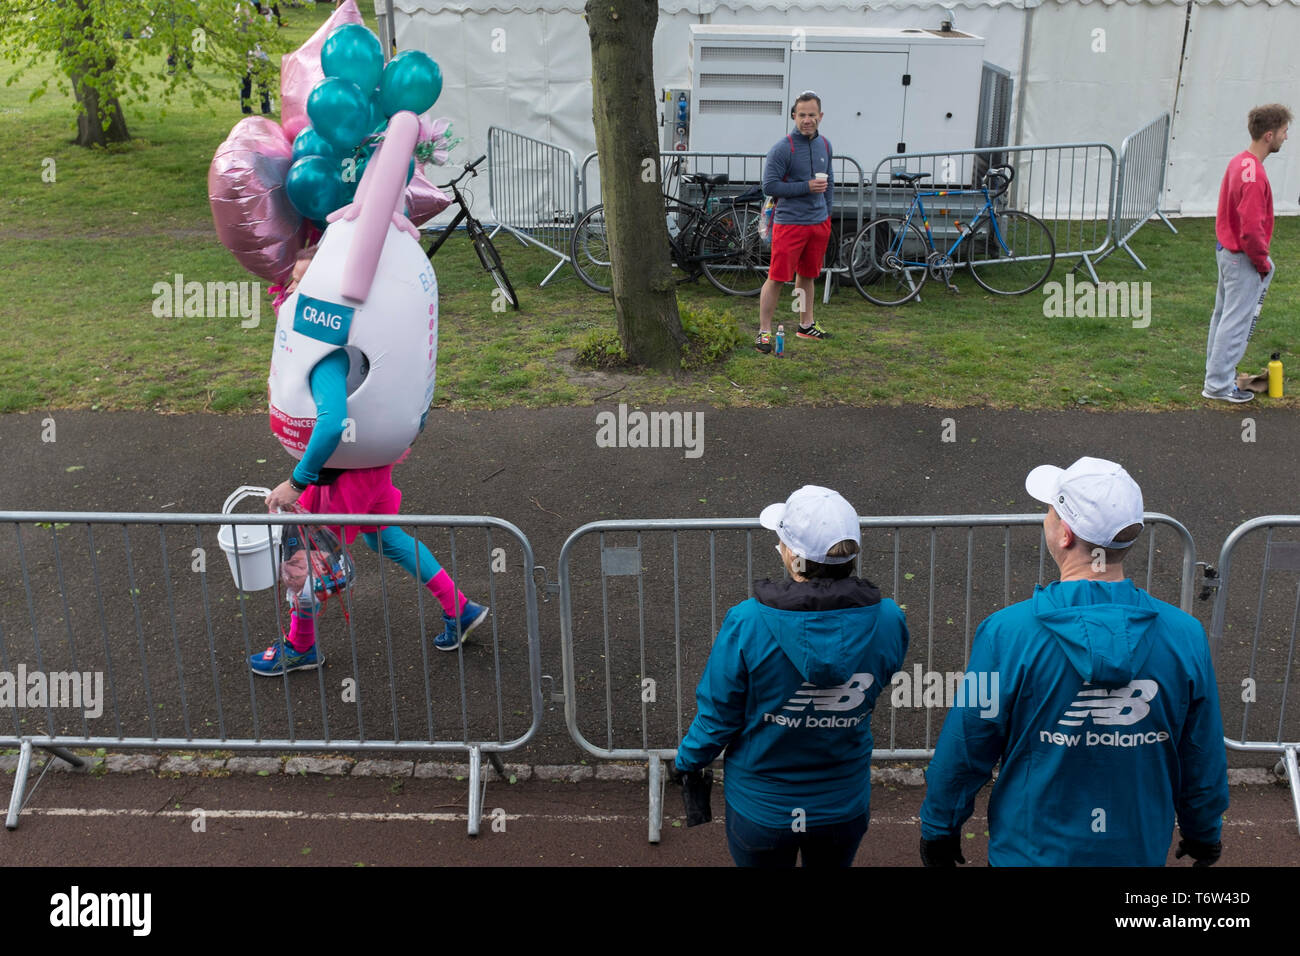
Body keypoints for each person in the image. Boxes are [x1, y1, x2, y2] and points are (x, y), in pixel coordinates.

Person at [919, 457, 1229, 866]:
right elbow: (1201, 754)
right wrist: (1203, 830)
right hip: (1134, 852)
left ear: (1064, 534)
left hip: (1029, 854)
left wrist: (940, 827)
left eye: (1050, 511)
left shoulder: (1006, 632)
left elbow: (967, 743)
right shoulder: (1185, 635)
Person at [252, 246, 489, 676]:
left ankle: (300, 647)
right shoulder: (341, 339)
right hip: (371, 468)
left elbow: (329, 425)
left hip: (345, 476)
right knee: (383, 538)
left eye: (306, 285)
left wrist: (297, 482)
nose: (293, 293)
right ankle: (460, 608)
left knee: (310, 555)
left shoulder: (325, 355)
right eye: (292, 283)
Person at [673, 485, 909, 867]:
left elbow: (719, 717)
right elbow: (880, 677)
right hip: (841, 803)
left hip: (762, 806)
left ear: (791, 555)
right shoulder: (888, 619)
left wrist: (687, 761)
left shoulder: (746, 621)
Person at [1203, 104, 1291, 403]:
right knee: (1235, 321)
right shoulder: (1254, 175)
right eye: (1283, 132)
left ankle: (1217, 377)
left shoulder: (1238, 162)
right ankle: (1217, 385)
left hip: (1227, 251)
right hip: (1241, 256)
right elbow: (1251, 229)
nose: (1286, 137)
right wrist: (1261, 261)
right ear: (1269, 135)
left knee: (1223, 316)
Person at [754, 92, 834, 353]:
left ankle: (805, 324)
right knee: (777, 277)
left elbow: (829, 182)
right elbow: (770, 186)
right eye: (802, 115)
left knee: (808, 276)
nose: (807, 120)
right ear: (793, 116)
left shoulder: (825, 145)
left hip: (818, 223)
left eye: (812, 115)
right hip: (790, 224)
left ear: (820, 116)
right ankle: (764, 331)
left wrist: (826, 212)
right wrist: (806, 187)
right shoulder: (783, 148)